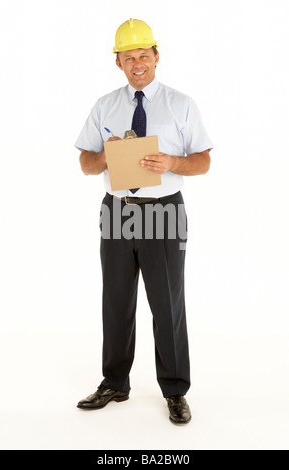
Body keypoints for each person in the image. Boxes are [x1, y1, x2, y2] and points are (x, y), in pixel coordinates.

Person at [75, 18, 213, 425]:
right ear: (118, 62)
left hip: (164, 211)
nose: (137, 63)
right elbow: (85, 163)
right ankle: (115, 382)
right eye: (128, 56)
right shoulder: (105, 105)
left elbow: (203, 160)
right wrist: (106, 154)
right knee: (116, 301)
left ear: (157, 56)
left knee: (167, 303)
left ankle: (174, 390)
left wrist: (173, 162)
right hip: (117, 211)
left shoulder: (181, 104)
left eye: (143, 55)